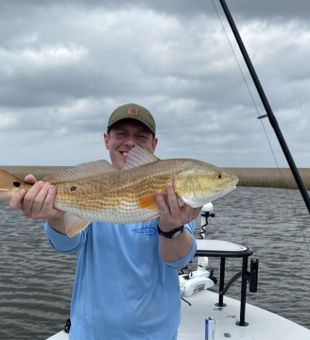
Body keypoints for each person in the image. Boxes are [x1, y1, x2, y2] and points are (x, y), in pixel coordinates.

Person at [10, 103, 201, 340]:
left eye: (141, 136)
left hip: (156, 335)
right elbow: (66, 243)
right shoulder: (89, 186)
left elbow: (178, 259)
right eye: (121, 134)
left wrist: (172, 228)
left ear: (154, 145)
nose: (130, 142)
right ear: (106, 140)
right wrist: (55, 215)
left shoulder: (175, 193)